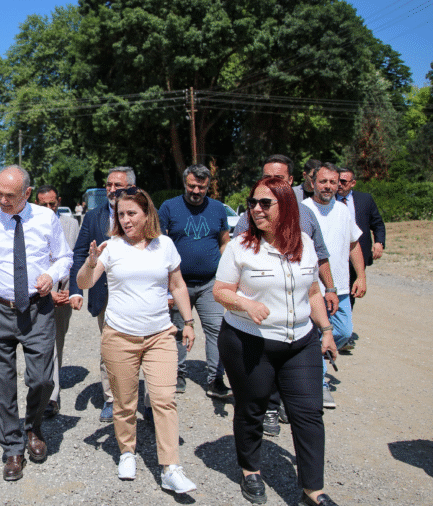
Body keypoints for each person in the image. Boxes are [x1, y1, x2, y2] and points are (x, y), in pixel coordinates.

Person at [213, 177, 340, 506]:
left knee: (309, 413)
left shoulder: (305, 244)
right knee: (252, 408)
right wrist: (247, 303)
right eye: (252, 203)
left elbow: (313, 291)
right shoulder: (240, 246)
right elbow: (221, 292)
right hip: (250, 341)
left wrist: (326, 331)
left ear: (286, 207)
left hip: (301, 341)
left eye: (264, 203)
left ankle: (313, 489)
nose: (255, 209)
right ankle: (250, 470)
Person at [77, 187, 197, 494]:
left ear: (147, 214)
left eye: (132, 213)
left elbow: (178, 284)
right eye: (121, 214)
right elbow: (85, 282)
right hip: (119, 336)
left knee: (163, 400)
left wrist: (189, 322)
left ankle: (170, 467)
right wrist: (91, 262)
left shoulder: (165, 245)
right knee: (125, 401)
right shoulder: (111, 247)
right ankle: (127, 452)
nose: (126, 220)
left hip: (160, 336)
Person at [0, 166, 72, 482]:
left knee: (41, 379)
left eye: (9, 195)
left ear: (26, 193)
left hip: (37, 311)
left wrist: (51, 276)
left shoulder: (46, 219)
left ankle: (33, 426)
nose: (2, 200)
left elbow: (64, 257)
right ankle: (12, 447)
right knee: (3, 383)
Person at [233, 155, 339, 436]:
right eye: (266, 176)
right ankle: (269, 408)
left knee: (295, 366)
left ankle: (289, 405)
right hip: (262, 311)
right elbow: (233, 262)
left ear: (291, 181)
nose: (270, 183)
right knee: (265, 366)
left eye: (278, 178)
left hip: (300, 306)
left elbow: (322, 256)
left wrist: (330, 289)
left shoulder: (306, 215)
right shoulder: (250, 216)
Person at [158, 164, 231, 398]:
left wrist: (227, 274)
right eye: (192, 185)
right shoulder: (169, 207)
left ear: (208, 186)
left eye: (202, 186)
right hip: (179, 282)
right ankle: (178, 372)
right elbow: (159, 245)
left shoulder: (218, 209)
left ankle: (215, 379)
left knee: (217, 330)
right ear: (185, 184)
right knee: (178, 330)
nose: (196, 191)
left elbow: (225, 242)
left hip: (210, 283)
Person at [69, 167, 136, 422]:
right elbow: (79, 254)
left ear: (131, 187)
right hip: (105, 294)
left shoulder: (143, 214)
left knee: (144, 346)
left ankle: (147, 401)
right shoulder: (94, 216)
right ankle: (111, 399)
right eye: (108, 185)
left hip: (137, 293)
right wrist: (77, 290)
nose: (111, 190)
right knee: (110, 347)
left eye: (117, 185)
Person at [302, 163, 366, 408]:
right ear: (312, 182)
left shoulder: (342, 210)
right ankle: (319, 384)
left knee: (343, 332)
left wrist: (361, 276)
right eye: (323, 181)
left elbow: (353, 244)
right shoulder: (303, 209)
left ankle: (310, 366)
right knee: (318, 332)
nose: (328, 186)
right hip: (312, 288)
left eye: (333, 182)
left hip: (340, 287)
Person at [35, 184, 80, 418]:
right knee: (42, 345)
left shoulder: (71, 225)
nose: (49, 208)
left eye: (53, 203)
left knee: (56, 343)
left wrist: (72, 291)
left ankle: (52, 392)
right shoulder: (30, 224)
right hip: (39, 293)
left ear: (59, 201)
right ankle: (47, 393)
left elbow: (76, 258)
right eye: (44, 204)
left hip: (62, 295)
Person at [336, 167, 385, 311]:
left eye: (343, 181)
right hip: (336, 254)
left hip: (358, 253)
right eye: (337, 181)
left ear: (353, 183)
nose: (339, 184)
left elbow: (377, 223)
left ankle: (344, 323)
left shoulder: (365, 199)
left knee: (351, 290)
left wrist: (379, 242)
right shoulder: (328, 200)